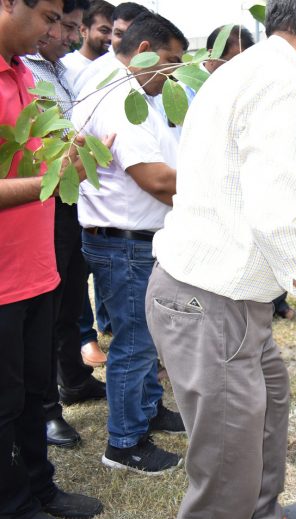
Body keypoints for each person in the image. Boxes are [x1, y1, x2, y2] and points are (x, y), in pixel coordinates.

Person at [145, 1, 296, 517]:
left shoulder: (241, 69)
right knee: (226, 469)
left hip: (228, 296)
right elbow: (279, 219)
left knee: (268, 404)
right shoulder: (289, 89)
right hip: (211, 299)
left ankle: (261, 511)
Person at [0, 0, 109, 516]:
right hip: (2, 280)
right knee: (4, 402)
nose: (53, 30)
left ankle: (42, 490)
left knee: (35, 392)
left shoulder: (27, 74)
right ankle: (15, 504)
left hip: (37, 267)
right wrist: (56, 176)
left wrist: (75, 151)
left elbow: (39, 155)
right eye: (46, 15)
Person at [72, 11, 188, 475]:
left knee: (146, 338)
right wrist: (218, 188)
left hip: (138, 240)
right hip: (124, 243)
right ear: (143, 52)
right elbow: (155, 179)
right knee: (135, 343)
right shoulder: (120, 94)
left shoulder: (133, 89)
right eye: (170, 61)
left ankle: (147, 410)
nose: (175, 73)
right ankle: (124, 443)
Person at [23, 0, 107, 449]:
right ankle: (47, 410)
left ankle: (73, 379)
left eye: (70, 26)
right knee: (48, 304)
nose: (70, 36)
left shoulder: (62, 71)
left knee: (74, 293)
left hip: (72, 197)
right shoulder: (26, 71)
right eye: (61, 25)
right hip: (42, 199)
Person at [61, 0, 113, 90]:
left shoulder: (114, 69)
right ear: (83, 31)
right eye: (104, 30)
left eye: (115, 33)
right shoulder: (64, 66)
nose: (111, 38)